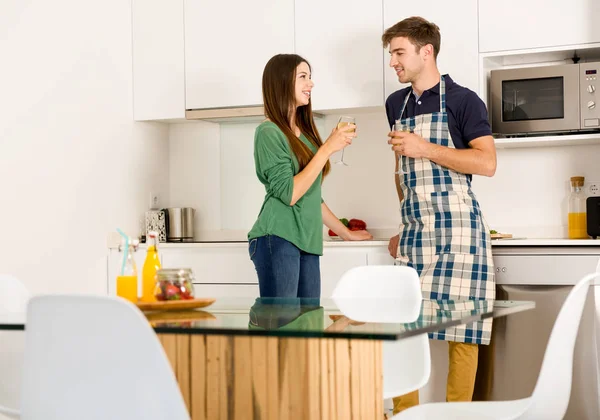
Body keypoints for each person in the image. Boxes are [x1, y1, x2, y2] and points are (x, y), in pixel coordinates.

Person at [382, 17, 497, 415]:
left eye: (399, 52)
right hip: (415, 232)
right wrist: (403, 223)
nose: (393, 62)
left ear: (425, 51)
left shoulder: (465, 100)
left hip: (459, 231)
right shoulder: (395, 104)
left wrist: (424, 147)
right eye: (392, 54)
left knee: (463, 334)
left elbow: (486, 162)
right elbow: (401, 171)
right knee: (402, 331)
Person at [248, 54, 372, 299]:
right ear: (282, 82)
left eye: (310, 77)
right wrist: (327, 149)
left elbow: (311, 196)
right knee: (283, 329)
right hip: (278, 237)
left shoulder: (303, 135)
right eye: (303, 77)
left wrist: (346, 232)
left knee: (308, 325)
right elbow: (291, 194)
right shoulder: (269, 132)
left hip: (307, 240)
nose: (311, 84)